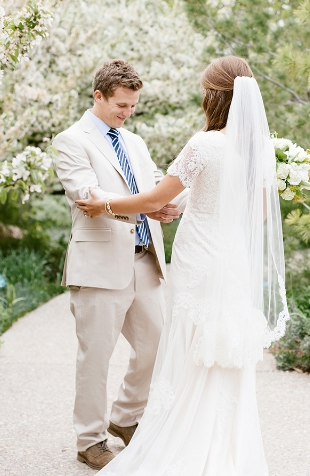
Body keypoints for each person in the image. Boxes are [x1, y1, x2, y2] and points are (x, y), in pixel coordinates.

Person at [77, 56, 288, 476]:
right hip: (232, 262)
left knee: (193, 345)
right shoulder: (257, 148)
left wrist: (105, 203)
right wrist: (194, 201)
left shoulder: (205, 144)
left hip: (200, 260)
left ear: (215, 96)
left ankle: (183, 441)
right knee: (220, 346)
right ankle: (220, 443)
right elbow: (258, 213)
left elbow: (155, 200)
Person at [52, 60, 187, 470]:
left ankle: (126, 417)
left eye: (132, 106)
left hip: (146, 262)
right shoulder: (71, 140)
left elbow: (156, 183)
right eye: (121, 105)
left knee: (158, 345)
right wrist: (144, 205)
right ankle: (89, 439)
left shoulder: (136, 142)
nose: (127, 113)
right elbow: (86, 194)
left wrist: (167, 205)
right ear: (99, 96)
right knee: (96, 355)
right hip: (99, 265)